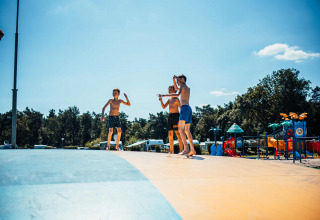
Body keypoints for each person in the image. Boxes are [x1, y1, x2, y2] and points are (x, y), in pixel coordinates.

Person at [158, 75, 196, 156]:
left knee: (180, 129)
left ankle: (186, 149)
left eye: (178, 81)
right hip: (189, 108)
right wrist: (174, 79)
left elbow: (177, 94)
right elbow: (176, 88)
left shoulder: (182, 85)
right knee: (187, 130)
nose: (177, 83)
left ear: (182, 79)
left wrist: (164, 95)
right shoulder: (187, 87)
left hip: (184, 108)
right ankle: (192, 149)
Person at [159, 85, 183, 154]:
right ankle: (171, 151)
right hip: (170, 116)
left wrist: (180, 119)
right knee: (170, 133)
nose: (169, 91)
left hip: (176, 116)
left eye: (170, 90)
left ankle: (181, 150)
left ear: (174, 91)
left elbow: (181, 109)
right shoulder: (169, 99)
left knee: (178, 133)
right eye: (168, 90)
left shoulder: (176, 99)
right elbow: (163, 107)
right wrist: (161, 100)